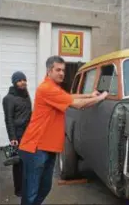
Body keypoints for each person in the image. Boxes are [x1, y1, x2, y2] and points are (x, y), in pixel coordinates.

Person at [18, 56, 108, 205]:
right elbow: (77, 104)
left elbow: (68, 96)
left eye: (63, 70)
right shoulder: (46, 88)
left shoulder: (54, 88)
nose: (61, 73)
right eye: (58, 70)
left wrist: (89, 94)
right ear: (49, 71)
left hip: (47, 147)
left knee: (44, 188)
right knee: (31, 193)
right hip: (36, 147)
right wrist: (101, 97)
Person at [2, 71, 32, 197]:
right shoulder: (8, 99)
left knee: (28, 161)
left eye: (24, 79)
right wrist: (12, 137)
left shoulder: (26, 95)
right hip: (18, 135)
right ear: (14, 82)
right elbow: (8, 119)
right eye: (19, 80)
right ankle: (18, 189)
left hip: (29, 134)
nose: (22, 82)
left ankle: (27, 185)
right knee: (18, 163)